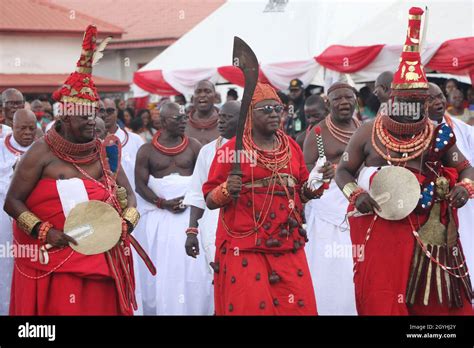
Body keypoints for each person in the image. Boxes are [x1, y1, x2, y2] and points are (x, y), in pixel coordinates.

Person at [335, 8, 473, 315]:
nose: (411, 110)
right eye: (405, 102)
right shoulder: (367, 132)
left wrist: (465, 187)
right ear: (390, 100)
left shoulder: (438, 133)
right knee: (383, 295)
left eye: (417, 103)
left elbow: (466, 167)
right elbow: (343, 170)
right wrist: (355, 195)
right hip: (382, 227)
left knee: (434, 303)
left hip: (431, 228)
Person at [4, 25, 142, 315]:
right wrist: (45, 231)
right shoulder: (41, 153)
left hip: (104, 256)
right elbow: (12, 202)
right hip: (57, 259)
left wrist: (125, 223)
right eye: (84, 116)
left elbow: (130, 195)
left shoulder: (106, 150)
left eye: (94, 113)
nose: (92, 121)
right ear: (65, 117)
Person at [202, 82, 322, 315]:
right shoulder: (230, 150)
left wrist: (316, 183)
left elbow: (302, 192)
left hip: (287, 243)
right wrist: (227, 189)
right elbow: (209, 198)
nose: (275, 114)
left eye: (278, 109)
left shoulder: (291, 147)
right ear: (249, 114)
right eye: (266, 110)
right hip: (245, 246)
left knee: (298, 307)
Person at [134, 102, 211, 315]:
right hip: (160, 221)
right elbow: (139, 185)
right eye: (178, 118)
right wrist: (163, 203)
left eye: (185, 117)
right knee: (165, 269)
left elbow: (204, 180)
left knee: (194, 269)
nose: (184, 121)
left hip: (191, 219)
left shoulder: (195, 146)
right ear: (164, 121)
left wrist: (189, 199)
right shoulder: (146, 150)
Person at [303, 82, 360, 315]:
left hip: (360, 203)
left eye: (348, 97)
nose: (344, 102)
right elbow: (306, 175)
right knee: (334, 268)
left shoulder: (364, 127)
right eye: (337, 99)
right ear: (328, 103)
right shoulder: (317, 134)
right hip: (330, 211)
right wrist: (323, 172)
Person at [184, 101, 240, 275]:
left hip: (246, 224)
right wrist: (192, 231)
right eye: (220, 117)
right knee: (219, 276)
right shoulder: (207, 151)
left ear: (243, 119)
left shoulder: (254, 150)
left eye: (228, 118)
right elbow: (197, 194)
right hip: (213, 225)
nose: (221, 122)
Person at [428, 82, 474, 292]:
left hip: (465, 210)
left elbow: (469, 168)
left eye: (440, 97)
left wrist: (466, 186)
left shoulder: (464, 130)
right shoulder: (414, 133)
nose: (438, 102)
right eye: (430, 99)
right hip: (429, 215)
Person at [0, 109, 37, 315]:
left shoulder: (43, 149)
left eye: (32, 128)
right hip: (3, 217)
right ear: (11, 127)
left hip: (34, 218)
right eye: (22, 128)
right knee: (4, 266)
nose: (27, 133)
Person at [101, 98, 144, 191]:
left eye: (109, 111)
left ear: (116, 112)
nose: (105, 115)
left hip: (136, 202)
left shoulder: (135, 140)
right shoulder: (91, 144)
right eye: (101, 111)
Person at [186, 80, 220, 145]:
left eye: (207, 91)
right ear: (193, 97)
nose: (202, 95)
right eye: (198, 92)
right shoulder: (183, 124)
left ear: (215, 96)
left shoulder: (224, 123)